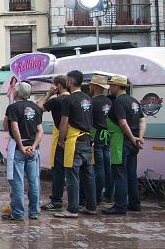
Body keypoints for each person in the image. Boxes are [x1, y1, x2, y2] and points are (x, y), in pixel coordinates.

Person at [53, 70, 96, 218]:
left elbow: (64, 122)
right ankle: (91, 206)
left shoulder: (68, 100)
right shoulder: (88, 98)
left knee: (72, 176)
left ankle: (72, 209)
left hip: (74, 140)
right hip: (88, 140)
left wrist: (61, 140)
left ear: (70, 82)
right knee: (88, 175)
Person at [103, 75, 146, 216]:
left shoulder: (119, 102)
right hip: (133, 143)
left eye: (111, 85)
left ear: (116, 86)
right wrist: (139, 137)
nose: (110, 88)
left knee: (120, 174)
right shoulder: (134, 101)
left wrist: (132, 138)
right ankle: (135, 203)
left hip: (121, 142)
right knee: (131, 174)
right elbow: (142, 120)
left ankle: (120, 206)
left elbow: (122, 123)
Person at [5, 81, 44, 220]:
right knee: (34, 181)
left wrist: (21, 146)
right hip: (33, 150)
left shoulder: (13, 108)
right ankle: (34, 212)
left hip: (19, 149)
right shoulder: (35, 107)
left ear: (17, 92)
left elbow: (14, 128)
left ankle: (18, 213)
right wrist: (33, 147)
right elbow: (40, 130)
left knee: (18, 182)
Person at [36, 74, 69, 212]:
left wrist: (49, 93)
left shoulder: (57, 100)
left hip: (61, 138)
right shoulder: (76, 98)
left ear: (58, 86)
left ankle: (56, 200)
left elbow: (38, 107)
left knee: (58, 170)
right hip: (78, 138)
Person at [89, 75, 114, 206]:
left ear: (95, 87)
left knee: (99, 167)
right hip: (108, 136)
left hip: (97, 136)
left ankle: (97, 196)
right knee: (108, 166)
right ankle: (109, 194)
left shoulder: (92, 102)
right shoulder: (110, 102)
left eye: (91, 84)